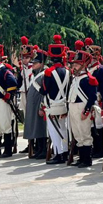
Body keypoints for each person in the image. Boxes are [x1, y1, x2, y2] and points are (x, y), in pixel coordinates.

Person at [67, 40, 98, 167]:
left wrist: (86, 111)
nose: (73, 66)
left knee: (85, 134)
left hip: (82, 108)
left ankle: (87, 159)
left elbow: (92, 97)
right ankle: (81, 158)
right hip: (73, 107)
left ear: (83, 65)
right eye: (73, 64)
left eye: (76, 64)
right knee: (77, 133)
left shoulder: (89, 79)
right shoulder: (75, 78)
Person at [42, 35, 70, 164]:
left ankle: (58, 154)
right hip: (64, 104)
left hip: (52, 105)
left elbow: (44, 90)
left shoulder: (48, 72)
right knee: (63, 129)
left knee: (54, 132)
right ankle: (65, 152)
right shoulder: (67, 71)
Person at [23, 46, 48, 159]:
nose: (33, 64)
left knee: (41, 128)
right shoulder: (35, 74)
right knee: (35, 127)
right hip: (33, 104)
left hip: (39, 104)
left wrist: (42, 106)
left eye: (36, 63)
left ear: (42, 63)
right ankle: (38, 149)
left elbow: (45, 92)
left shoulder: (45, 74)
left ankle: (43, 150)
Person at [85, 38, 103, 158]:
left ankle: (100, 148)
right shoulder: (88, 70)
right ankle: (95, 147)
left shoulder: (100, 70)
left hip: (98, 101)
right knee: (92, 126)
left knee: (98, 125)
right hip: (90, 100)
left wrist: (102, 101)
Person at [17, 36, 34, 151]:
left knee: (32, 119)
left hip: (31, 95)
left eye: (27, 57)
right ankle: (29, 143)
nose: (24, 60)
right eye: (23, 57)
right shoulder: (22, 69)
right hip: (23, 94)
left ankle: (34, 143)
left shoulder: (33, 68)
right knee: (27, 120)